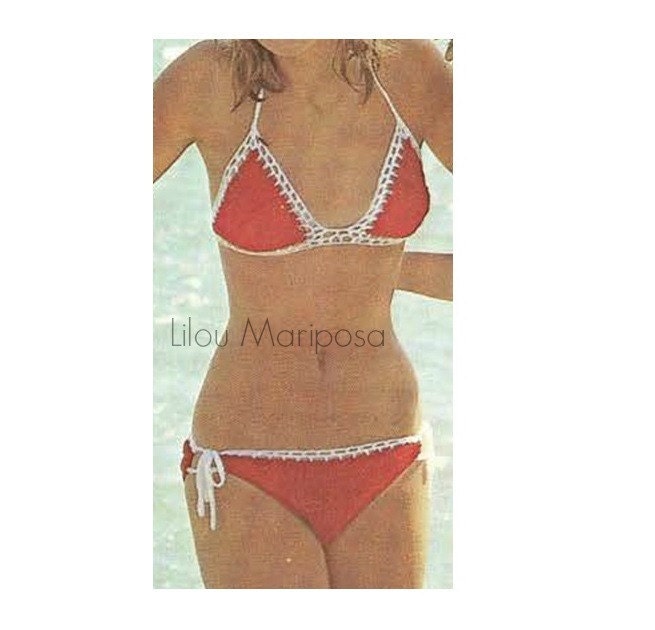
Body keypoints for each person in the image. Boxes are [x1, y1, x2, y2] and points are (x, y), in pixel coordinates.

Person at [153, 39, 453, 588]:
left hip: (388, 448)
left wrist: (384, 271)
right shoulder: (207, 79)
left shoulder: (414, 72)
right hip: (247, 460)